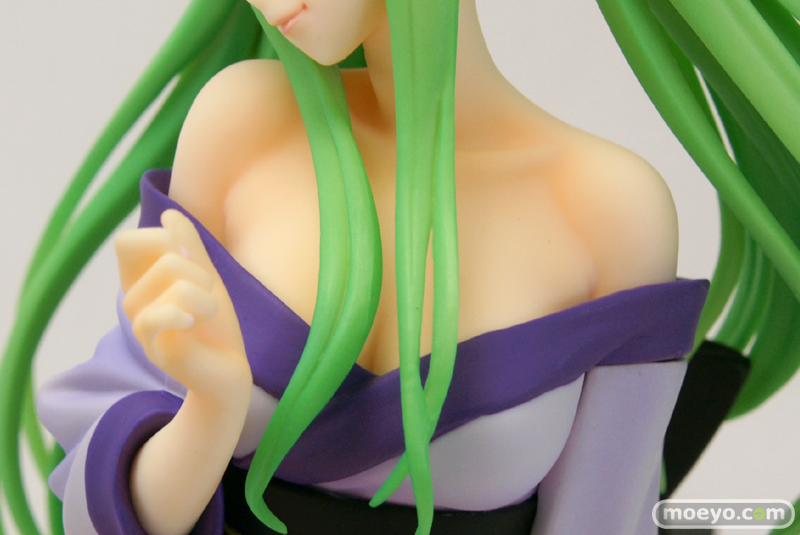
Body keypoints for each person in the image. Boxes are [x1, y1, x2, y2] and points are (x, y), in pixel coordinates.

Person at [1, 0, 798, 534]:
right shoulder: (242, 122)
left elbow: (603, 518)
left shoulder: (609, 207)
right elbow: (100, 500)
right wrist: (208, 410)